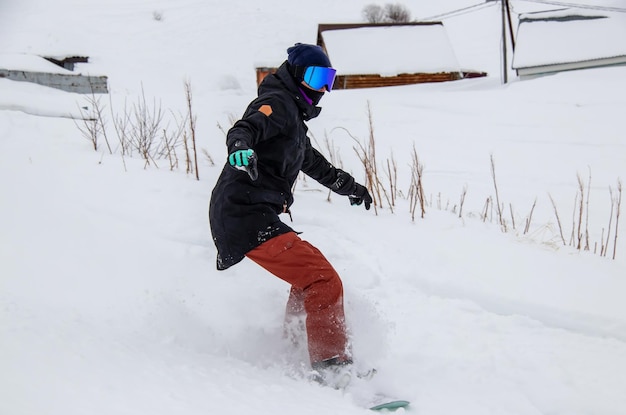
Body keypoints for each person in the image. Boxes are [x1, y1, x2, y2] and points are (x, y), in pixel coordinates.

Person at [209, 43, 373, 385]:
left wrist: (352, 188)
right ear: (297, 75)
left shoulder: (295, 127)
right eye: (315, 77)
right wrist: (240, 148)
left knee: (309, 278)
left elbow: (317, 166)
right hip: (243, 212)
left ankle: (297, 351)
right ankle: (332, 368)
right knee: (323, 279)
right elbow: (246, 128)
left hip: (254, 212)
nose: (321, 88)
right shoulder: (277, 104)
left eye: (328, 79)